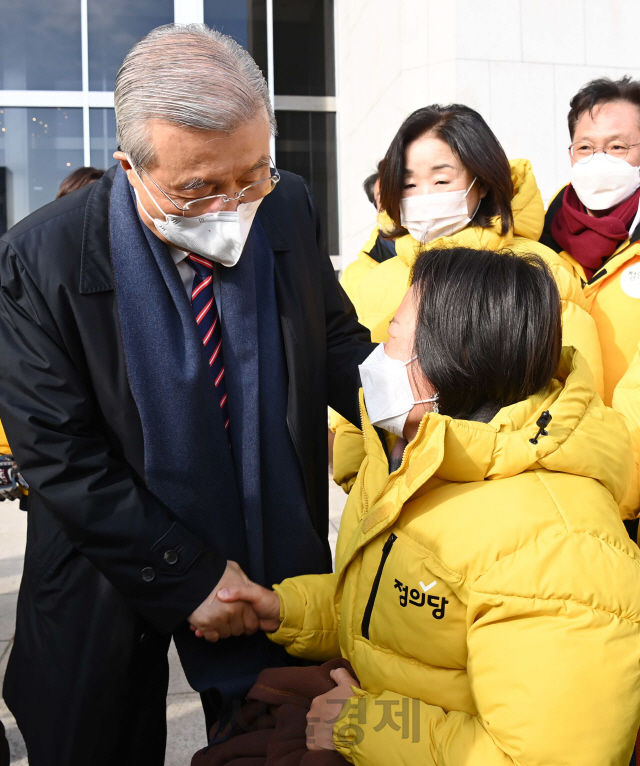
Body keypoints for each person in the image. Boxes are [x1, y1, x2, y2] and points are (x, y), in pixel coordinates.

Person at [0, 23, 371, 766]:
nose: (234, 204)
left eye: (251, 174)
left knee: (287, 739)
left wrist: (409, 404)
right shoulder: (42, 256)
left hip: (273, 544)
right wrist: (189, 573)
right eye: (198, 187)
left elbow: (333, 343)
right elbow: (60, 454)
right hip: (106, 574)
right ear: (130, 168)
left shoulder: (288, 204)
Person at [218, 247, 640, 766]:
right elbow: (391, 617)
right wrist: (284, 608)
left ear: (455, 357)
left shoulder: (556, 550)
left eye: (392, 337)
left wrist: (358, 722)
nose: (373, 359)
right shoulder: (420, 461)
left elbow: (544, 757)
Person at [331, 104, 602, 493]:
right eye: (408, 184)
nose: (423, 196)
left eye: (441, 182)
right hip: (385, 490)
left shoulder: (538, 271)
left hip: (502, 489)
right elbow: (356, 388)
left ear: (483, 182)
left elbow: (576, 400)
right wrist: (360, 476)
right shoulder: (376, 281)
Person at [541, 76, 640, 525]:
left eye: (618, 147)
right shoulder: (536, 244)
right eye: (586, 147)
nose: (600, 160)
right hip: (560, 489)